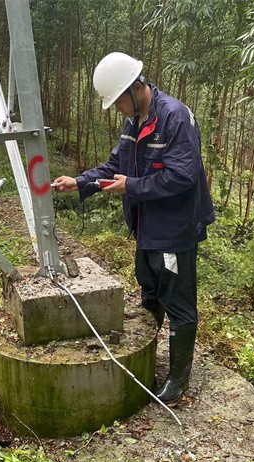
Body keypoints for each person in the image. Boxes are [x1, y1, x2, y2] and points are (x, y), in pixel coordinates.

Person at [53, 52, 215, 406]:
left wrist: (134, 187)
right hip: (147, 227)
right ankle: (149, 357)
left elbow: (183, 176)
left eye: (117, 103)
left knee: (180, 304)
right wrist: (80, 182)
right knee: (151, 291)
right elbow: (116, 166)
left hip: (175, 229)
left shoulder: (174, 117)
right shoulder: (134, 123)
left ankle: (177, 379)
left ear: (135, 87)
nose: (117, 111)